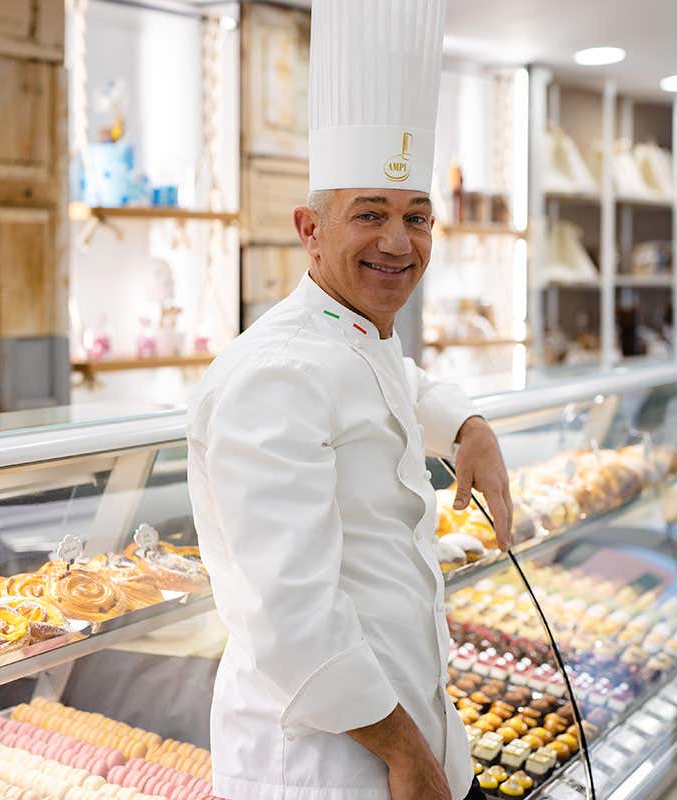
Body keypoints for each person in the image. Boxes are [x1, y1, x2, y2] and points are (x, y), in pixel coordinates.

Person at [186, 1, 512, 798]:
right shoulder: (273, 375)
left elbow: (399, 386)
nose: (398, 242)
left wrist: (469, 426)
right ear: (310, 229)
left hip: (412, 740)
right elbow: (290, 613)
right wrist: (405, 754)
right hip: (329, 765)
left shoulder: (353, 335)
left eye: (416, 218)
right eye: (370, 214)